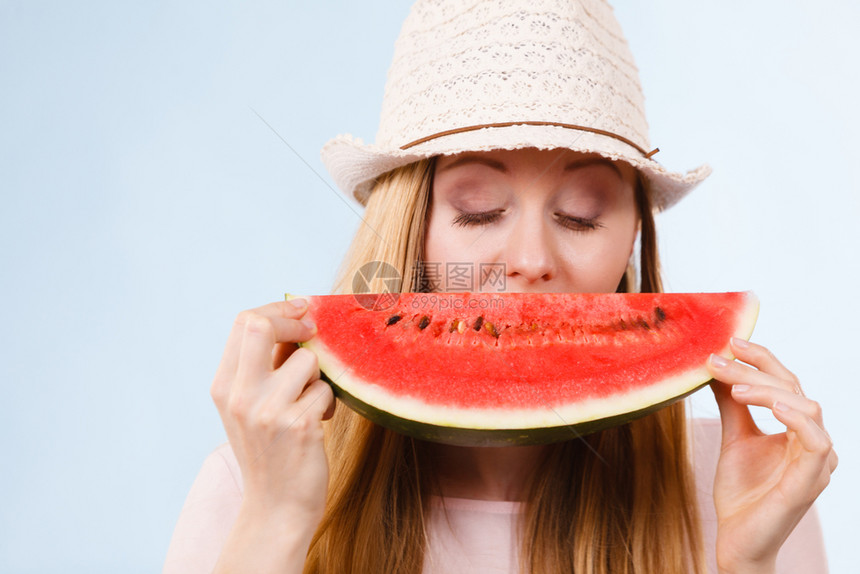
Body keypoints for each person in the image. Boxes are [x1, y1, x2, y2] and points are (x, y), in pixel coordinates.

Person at [163, 1, 837, 572]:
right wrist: (275, 521)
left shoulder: (741, 478)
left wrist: (748, 561)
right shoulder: (252, 483)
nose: (530, 259)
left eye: (582, 213)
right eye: (478, 209)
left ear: (634, 236)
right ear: (409, 229)